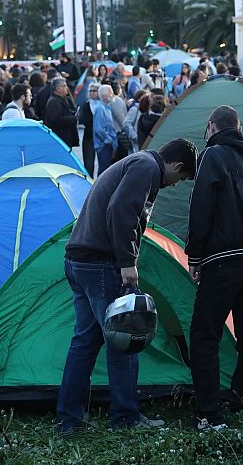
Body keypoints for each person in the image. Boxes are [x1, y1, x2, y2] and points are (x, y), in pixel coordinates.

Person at [57, 137, 197, 435]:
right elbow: (120, 211)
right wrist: (127, 262)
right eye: (180, 178)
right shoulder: (146, 168)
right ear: (177, 165)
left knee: (85, 342)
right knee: (125, 338)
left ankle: (69, 420)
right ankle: (126, 417)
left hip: (78, 260)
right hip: (101, 264)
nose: (174, 184)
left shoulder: (136, 162)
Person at [186, 105, 243, 430]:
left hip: (223, 258)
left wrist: (195, 254)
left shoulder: (213, 156)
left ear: (211, 127)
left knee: (204, 333)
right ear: (239, 128)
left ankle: (208, 412)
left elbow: (201, 205)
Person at [45, 78, 80, 149]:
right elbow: (56, 119)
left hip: (65, 137)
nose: (67, 88)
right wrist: (73, 119)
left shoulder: (63, 99)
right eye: (64, 86)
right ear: (58, 88)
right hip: (60, 137)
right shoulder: (54, 101)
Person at [93, 85, 118, 175]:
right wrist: (109, 139)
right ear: (104, 96)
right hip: (104, 145)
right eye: (110, 92)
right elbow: (98, 128)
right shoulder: (100, 108)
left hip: (108, 144)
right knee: (104, 171)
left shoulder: (107, 108)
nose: (112, 94)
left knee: (107, 171)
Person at [78, 83, 99, 177]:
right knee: (89, 164)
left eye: (94, 91)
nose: (92, 93)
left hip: (101, 137)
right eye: (90, 91)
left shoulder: (103, 104)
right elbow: (83, 120)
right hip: (89, 136)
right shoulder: (86, 105)